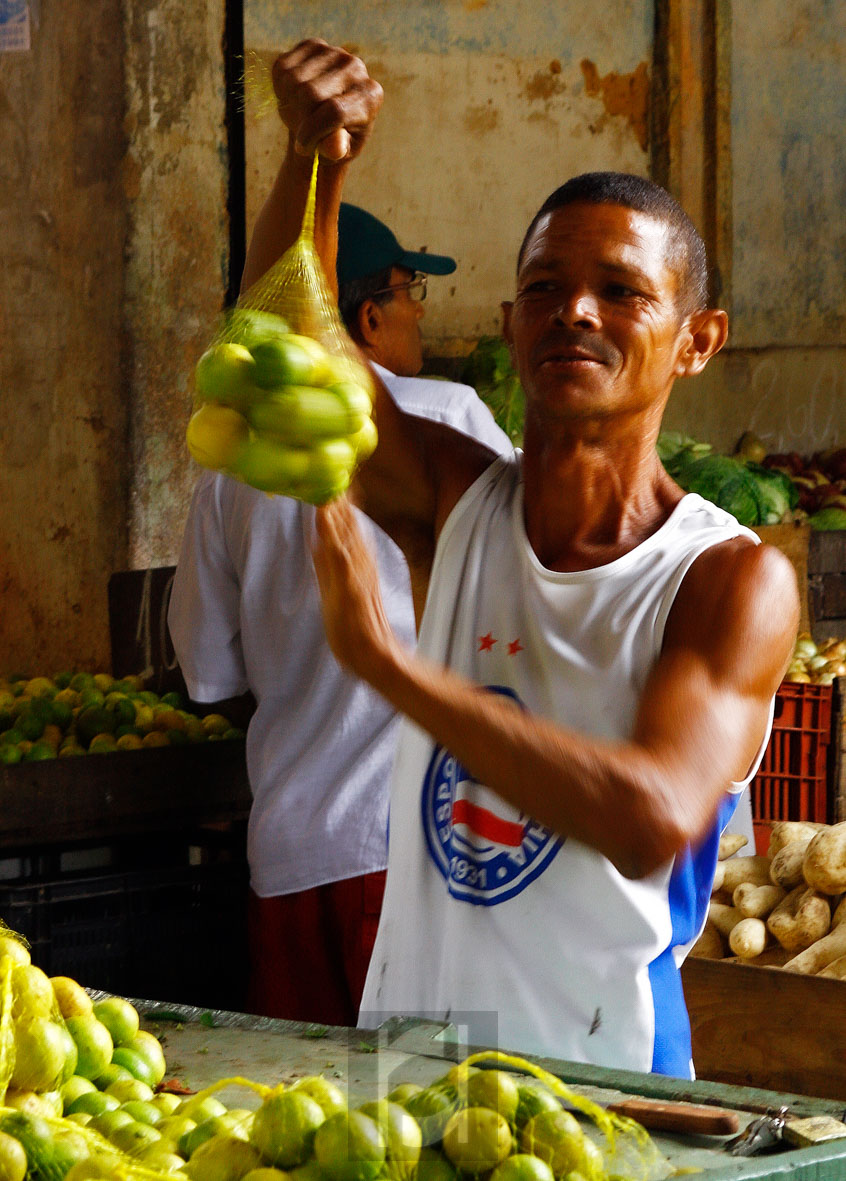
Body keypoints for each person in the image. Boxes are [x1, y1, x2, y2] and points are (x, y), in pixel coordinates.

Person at [242, 38, 802, 1078]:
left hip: (604, 1089)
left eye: (622, 290)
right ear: (510, 320)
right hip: (403, 1076)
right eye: (544, 286)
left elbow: (648, 818)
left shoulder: (729, 578)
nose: (574, 310)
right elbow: (287, 359)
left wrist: (392, 668)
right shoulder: (456, 498)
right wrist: (315, 160)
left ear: (699, 338)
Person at [167, 194, 511, 1026]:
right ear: (367, 315)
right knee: (413, 1127)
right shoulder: (448, 419)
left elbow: (206, 671)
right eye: (408, 295)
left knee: (305, 1123)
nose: (416, 318)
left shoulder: (227, 472)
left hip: (288, 851)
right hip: (414, 847)